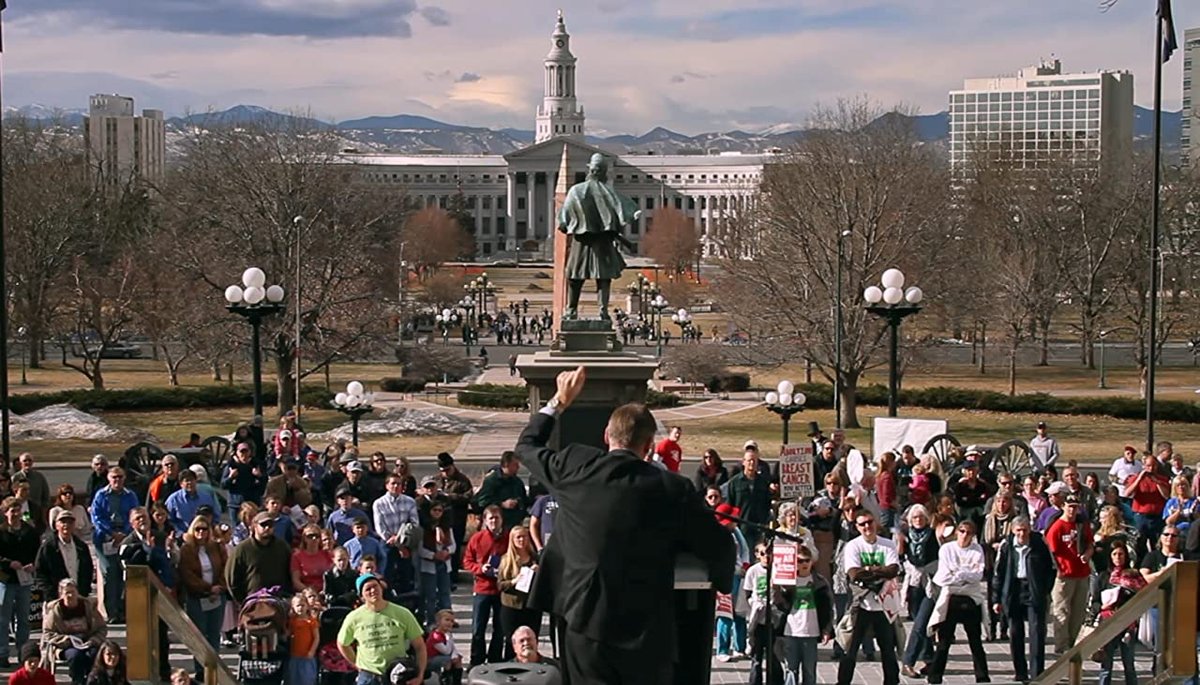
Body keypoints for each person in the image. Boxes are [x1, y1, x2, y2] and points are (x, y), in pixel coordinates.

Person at [514, 366, 734, 684]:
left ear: (606, 436)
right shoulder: (672, 488)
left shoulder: (574, 465)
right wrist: (721, 579)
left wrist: (559, 401)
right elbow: (717, 546)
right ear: (648, 447)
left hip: (583, 622)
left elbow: (527, 447)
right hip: (646, 631)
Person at [836, 509, 900, 685]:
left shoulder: (887, 544)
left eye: (870, 522)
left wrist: (868, 570)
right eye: (862, 524)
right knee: (850, 649)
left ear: (876, 523)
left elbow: (893, 570)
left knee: (888, 650)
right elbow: (854, 574)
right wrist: (879, 572)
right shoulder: (853, 546)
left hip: (883, 605)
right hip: (861, 604)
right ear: (857, 527)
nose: (867, 526)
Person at [925, 520, 990, 684]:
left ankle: (982, 675)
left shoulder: (977, 550)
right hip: (951, 596)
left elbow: (978, 574)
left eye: (968, 533)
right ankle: (935, 676)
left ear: (973, 535)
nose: (964, 535)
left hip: (970, 597)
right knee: (944, 641)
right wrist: (965, 574)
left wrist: (959, 573)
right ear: (956, 532)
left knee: (975, 640)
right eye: (961, 531)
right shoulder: (947, 549)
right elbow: (945, 575)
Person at [992, 516, 1054, 682]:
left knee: (1036, 632)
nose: (1021, 534)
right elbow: (998, 573)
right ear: (1012, 531)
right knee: (1015, 633)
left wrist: (1044, 589)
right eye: (1018, 530)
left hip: (1033, 590)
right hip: (1013, 590)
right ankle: (1020, 672)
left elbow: (1051, 569)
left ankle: (1036, 673)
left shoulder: (1039, 544)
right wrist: (996, 599)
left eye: (1024, 530)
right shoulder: (1006, 546)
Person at [336, 575, 426, 685]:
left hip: (397, 673)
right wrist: (356, 663)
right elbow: (342, 644)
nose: (373, 590)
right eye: (368, 589)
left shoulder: (402, 613)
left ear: (381, 588)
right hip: (368, 677)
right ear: (361, 596)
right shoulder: (353, 618)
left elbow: (420, 646)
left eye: (375, 586)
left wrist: (420, 674)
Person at [771, 544, 833, 685]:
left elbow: (827, 608)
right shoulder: (787, 581)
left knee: (809, 670)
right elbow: (778, 604)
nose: (804, 564)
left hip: (811, 632)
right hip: (790, 631)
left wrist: (826, 629)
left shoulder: (820, 582)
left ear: (812, 561)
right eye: (800, 561)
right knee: (791, 669)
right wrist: (776, 587)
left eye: (807, 560)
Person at [178, 516, 227, 679]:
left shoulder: (217, 547)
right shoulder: (186, 549)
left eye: (204, 529)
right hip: (197, 598)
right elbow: (187, 575)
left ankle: (214, 669)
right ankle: (200, 670)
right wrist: (207, 588)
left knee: (214, 635)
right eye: (197, 529)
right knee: (199, 635)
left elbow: (225, 568)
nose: (201, 532)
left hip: (217, 597)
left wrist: (218, 587)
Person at [462, 505, 509, 666]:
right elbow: (467, 561)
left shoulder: (509, 537)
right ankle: (476, 661)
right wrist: (480, 568)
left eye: (497, 518)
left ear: (502, 520)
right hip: (482, 588)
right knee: (478, 629)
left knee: (500, 629)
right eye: (491, 518)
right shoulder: (477, 538)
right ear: (485, 520)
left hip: (501, 589)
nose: (494, 521)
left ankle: (495, 660)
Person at [1046, 495, 1094, 653]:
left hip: (1082, 573)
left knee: (1078, 612)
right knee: (1062, 611)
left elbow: (1090, 544)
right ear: (1063, 506)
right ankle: (1061, 646)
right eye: (1070, 506)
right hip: (1064, 574)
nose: (1072, 510)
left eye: (1075, 506)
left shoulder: (1081, 525)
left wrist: (1087, 554)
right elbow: (1051, 551)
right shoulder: (1057, 527)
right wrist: (1058, 569)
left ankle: (1072, 645)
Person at [1095, 543, 1144, 685]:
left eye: (1121, 554)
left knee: (1129, 663)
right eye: (1114, 554)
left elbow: (1143, 594)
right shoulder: (1104, 576)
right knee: (1106, 665)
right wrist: (1103, 606)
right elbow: (1095, 601)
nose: (1118, 557)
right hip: (1108, 622)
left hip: (1128, 623)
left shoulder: (1133, 575)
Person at [898, 504, 938, 677]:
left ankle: (908, 661)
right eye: (915, 518)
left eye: (921, 517)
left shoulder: (933, 535)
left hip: (930, 582)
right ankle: (929, 659)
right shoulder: (906, 536)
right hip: (914, 583)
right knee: (920, 623)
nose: (918, 520)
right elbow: (901, 556)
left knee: (921, 623)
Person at [42, 578, 106, 685]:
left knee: (95, 654)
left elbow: (102, 628)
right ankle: (77, 682)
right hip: (66, 645)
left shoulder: (88, 606)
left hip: (88, 642)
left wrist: (93, 640)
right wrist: (67, 640)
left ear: (77, 592)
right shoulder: (55, 611)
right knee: (76, 656)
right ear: (61, 594)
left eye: (73, 592)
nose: (70, 596)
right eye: (67, 593)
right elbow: (47, 633)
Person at [0, 497, 37, 668]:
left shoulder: (29, 531)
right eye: (12, 511)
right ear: (5, 512)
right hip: (5, 580)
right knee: (3, 619)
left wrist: (33, 564)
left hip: (24, 580)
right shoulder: (1, 532)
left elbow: (37, 552)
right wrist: (8, 563)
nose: (15, 514)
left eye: (18, 510)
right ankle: (2, 653)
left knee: (23, 619)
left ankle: (24, 653)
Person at [225, 511, 292, 604]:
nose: (267, 528)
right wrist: (242, 601)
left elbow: (290, 571)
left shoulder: (282, 546)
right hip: (253, 602)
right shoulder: (242, 549)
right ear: (255, 526)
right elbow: (231, 579)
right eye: (263, 525)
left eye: (270, 525)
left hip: (279, 600)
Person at [497, 525, 541, 649]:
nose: (522, 540)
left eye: (525, 537)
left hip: (532, 606)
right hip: (512, 606)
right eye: (518, 537)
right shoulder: (506, 560)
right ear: (512, 540)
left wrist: (539, 573)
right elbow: (500, 585)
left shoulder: (535, 559)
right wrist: (514, 581)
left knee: (531, 642)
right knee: (512, 644)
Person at [34, 510, 95, 599]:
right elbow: (40, 572)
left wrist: (84, 590)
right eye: (63, 522)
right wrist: (50, 593)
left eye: (70, 522)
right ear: (56, 525)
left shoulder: (81, 546)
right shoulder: (48, 547)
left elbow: (88, 569)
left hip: (79, 597)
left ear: (74, 525)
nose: (66, 525)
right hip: (55, 598)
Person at [1124, 452, 1170, 561]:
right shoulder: (1135, 478)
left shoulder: (1162, 479)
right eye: (1148, 466)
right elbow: (1128, 493)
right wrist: (1139, 478)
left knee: (1157, 544)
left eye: (1153, 466)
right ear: (1144, 466)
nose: (1151, 468)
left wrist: (1157, 482)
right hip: (1141, 516)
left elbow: (1166, 495)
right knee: (1140, 543)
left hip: (1157, 516)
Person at [725, 448, 773, 547]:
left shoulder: (763, 482)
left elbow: (767, 504)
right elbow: (729, 505)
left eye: (754, 460)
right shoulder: (734, 483)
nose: (752, 463)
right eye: (749, 460)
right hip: (742, 527)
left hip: (759, 527)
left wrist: (765, 522)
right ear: (743, 462)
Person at [434, 453, 472, 573]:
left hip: (457, 520)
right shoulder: (437, 479)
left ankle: (453, 574)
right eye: (442, 470)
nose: (445, 473)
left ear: (453, 466)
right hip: (439, 520)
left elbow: (468, 497)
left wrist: (450, 497)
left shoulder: (462, 480)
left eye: (447, 470)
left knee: (453, 548)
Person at [472, 451, 529, 531]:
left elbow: (524, 499)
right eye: (515, 465)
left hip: (514, 523)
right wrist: (502, 504)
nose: (518, 467)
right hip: (498, 524)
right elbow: (483, 501)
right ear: (506, 465)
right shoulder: (492, 480)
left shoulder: (517, 481)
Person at [418, 501, 454, 624]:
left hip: (444, 564)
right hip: (429, 565)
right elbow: (420, 549)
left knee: (445, 593)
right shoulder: (424, 529)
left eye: (440, 510)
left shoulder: (447, 528)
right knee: (430, 595)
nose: (437, 513)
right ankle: (431, 621)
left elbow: (453, 545)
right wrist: (433, 555)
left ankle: (448, 620)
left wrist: (446, 551)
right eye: (435, 510)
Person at [165, 469, 221, 537]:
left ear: (196, 481)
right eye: (186, 481)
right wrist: (180, 533)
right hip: (183, 537)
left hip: (204, 536)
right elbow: (168, 521)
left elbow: (216, 516)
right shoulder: (173, 500)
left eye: (192, 480)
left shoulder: (206, 497)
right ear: (181, 484)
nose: (190, 483)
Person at [286, 593, 318, 685]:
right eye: (298, 606)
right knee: (294, 679)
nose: (300, 608)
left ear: (307, 606)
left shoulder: (311, 621)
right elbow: (289, 633)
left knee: (307, 679)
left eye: (302, 605)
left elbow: (316, 638)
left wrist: (312, 651)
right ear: (293, 607)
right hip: (294, 655)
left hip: (307, 656)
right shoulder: (292, 621)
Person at [291, 524, 333, 593]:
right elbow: (296, 581)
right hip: (306, 592)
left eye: (317, 536)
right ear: (304, 538)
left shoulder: (327, 554)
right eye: (310, 536)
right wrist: (309, 592)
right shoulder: (297, 556)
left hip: (326, 591)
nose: (314, 539)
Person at [426, 609, 465, 681]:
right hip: (429, 660)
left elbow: (453, 648)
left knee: (457, 658)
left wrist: (455, 655)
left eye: (452, 621)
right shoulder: (436, 636)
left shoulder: (445, 634)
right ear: (438, 622)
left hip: (439, 656)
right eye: (447, 620)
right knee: (448, 660)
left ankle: (456, 681)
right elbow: (446, 651)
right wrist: (449, 637)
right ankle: (446, 679)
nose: (449, 623)